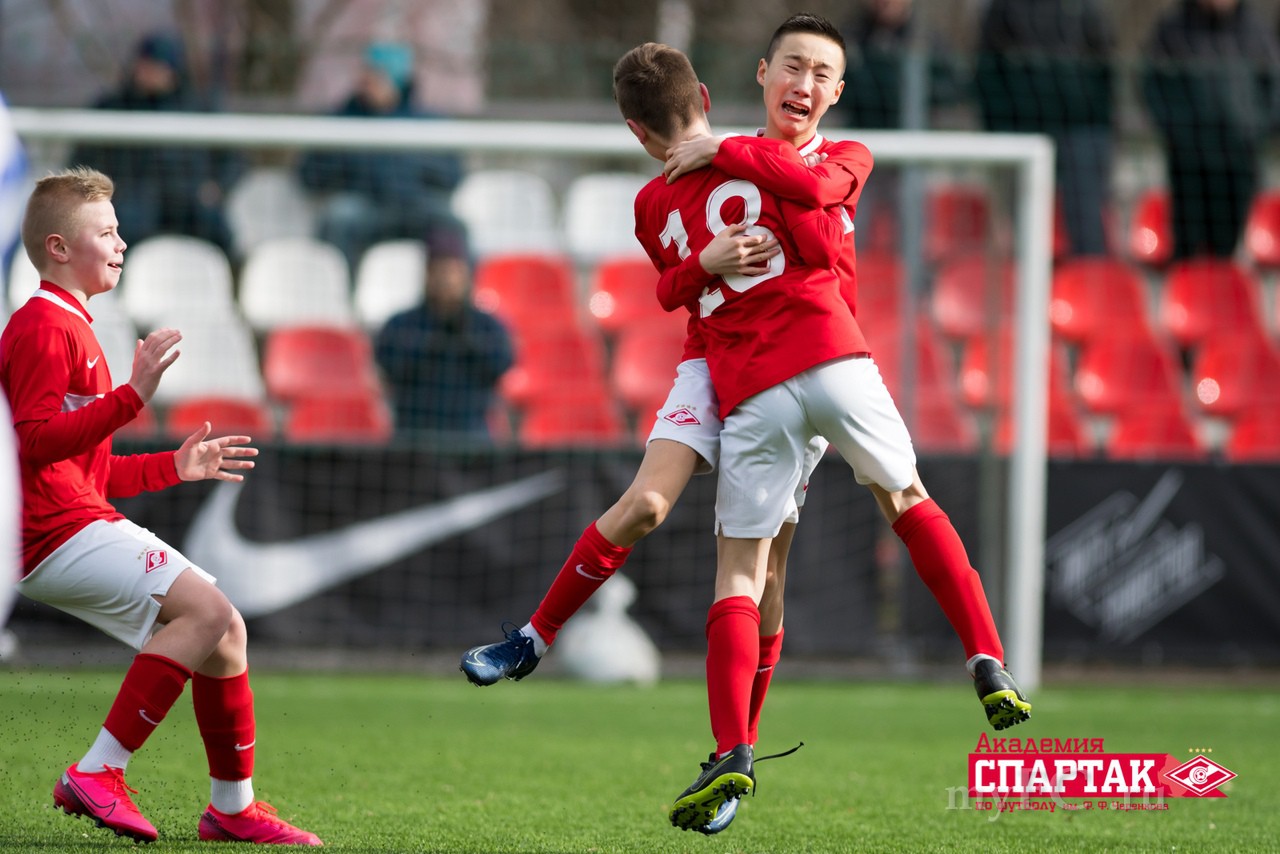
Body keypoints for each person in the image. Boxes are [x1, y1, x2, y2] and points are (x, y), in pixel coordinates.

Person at [0, 167, 321, 846]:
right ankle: (96, 772)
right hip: (52, 534)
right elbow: (32, 442)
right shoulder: (42, 327)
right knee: (207, 612)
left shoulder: (70, 325)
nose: (121, 243)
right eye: (106, 232)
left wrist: (173, 466)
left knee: (225, 633)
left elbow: (85, 471)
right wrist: (133, 398)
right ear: (59, 247)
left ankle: (231, 808)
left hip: (69, 522)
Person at [69, 32, 240, 257]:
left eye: (158, 67)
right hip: (133, 197)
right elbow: (82, 161)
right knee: (119, 227)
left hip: (187, 196)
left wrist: (216, 188)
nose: (150, 73)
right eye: (146, 66)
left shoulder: (199, 107)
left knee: (216, 228)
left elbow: (233, 159)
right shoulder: (113, 106)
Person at [297, 41, 465, 269]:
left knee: (451, 224)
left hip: (414, 207)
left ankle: (457, 292)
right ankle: (337, 286)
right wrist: (353, 161)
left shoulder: (426, 121)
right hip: (365, 205)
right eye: (367, 73)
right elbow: (309, 175)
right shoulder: (341, 119)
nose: (368, 81)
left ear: (397, 80)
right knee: (339, 217)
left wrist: (412, 165)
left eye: (378, 75)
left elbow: (452, 175)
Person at [974, 0, 1116, 258]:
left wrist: (1097, 119)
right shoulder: (1004, 9)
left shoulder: (1085, 9)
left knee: (1086, 223)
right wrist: (1000, 124)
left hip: (1080, 126)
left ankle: (1087, 279)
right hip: (1021, 128)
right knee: (1025, 223)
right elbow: (987, 68)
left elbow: (1105, 66)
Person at [1141, 0, 1280, 261]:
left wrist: (1256, 127)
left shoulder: (1256, 31)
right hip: (1189, 160)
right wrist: (1177, 129)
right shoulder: (1174, 29)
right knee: (1188, 246)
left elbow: (1274, 87)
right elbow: (1152, 85)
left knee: (1232, 250)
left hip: (1239, 159)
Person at [374, 223, 514, 443]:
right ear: (427, 274)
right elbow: (389, 368)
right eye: (439, 270)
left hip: (471, 438)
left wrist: (464, 335)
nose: (446, 280)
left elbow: (501, 366)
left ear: (466, 274)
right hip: (413, 438)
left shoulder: (486, 326)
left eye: (453, 271)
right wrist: (433, 338)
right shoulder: (401, 325)